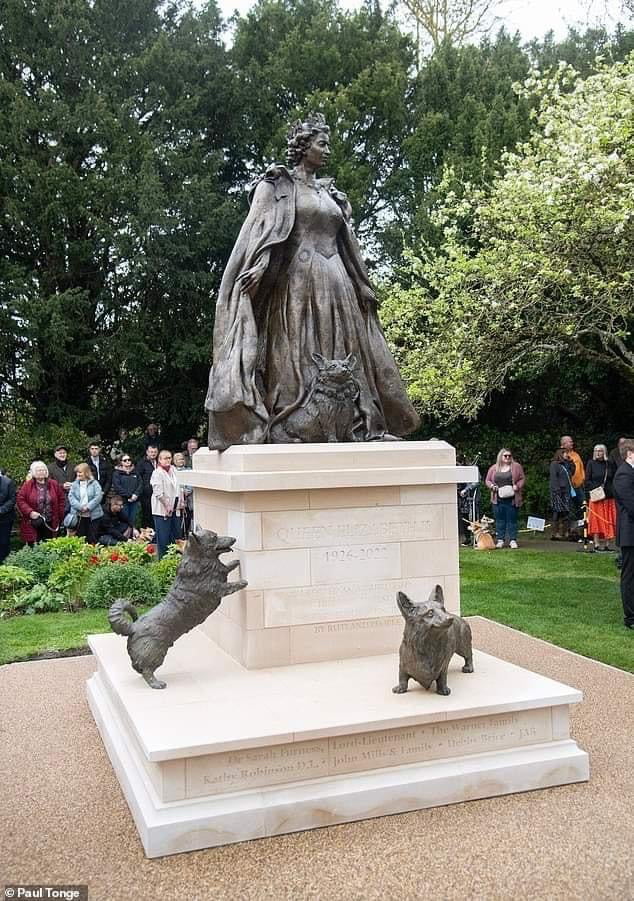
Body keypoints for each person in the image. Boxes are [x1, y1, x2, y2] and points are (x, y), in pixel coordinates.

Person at [205, 112, 420, 450]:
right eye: (322, 143)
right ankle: (294, 419)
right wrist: (259, 266)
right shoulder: (278, 185)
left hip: (339, 284)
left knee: (347, 352)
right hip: (298, 282)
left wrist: (362, 283)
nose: (327, 150)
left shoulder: (332, 194)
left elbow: (347, 244)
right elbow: (257, 233)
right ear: (304, 147)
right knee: (297, 352)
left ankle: (355, 421)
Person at [612, 438, 634, 630]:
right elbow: (630, 504)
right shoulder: (624, 474)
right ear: (630, 453)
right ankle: (630, 617)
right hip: (630, 533)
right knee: (629, 575)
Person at [16, 462, 66, 546]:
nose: (41, 472)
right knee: (34, 546)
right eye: (38, 470)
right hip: (34, 522)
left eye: (43, 470)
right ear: (34, 472)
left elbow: (61, 499)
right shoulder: (28, 485)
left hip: (51, 522)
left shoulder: (54, 484)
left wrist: (60, 516)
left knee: (50, 545)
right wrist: (30, 512)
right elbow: (20, 500)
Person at [485, 449, 525, 549]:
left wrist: (518, 486)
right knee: (499, 520)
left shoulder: (516, 466)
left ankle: (513, 540)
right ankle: (500, 540)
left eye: (509, 456)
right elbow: (488, 480)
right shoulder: (494, 468)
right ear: (500, 457)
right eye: (505, 456)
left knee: (512, 520)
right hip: (497, 498)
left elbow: (522, 478)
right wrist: (492, 486)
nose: (507, 458)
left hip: (512, 498)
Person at [150, 450, 183, 558]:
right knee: (163, 538)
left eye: (169, 458)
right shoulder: (157, 473)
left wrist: (182, 501)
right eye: (165, 458)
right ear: (159, 460)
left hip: (175, 508)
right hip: (162, 510)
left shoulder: (174, 470)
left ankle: (175, 561)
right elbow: (158, 493)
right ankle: (163, 563)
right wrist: (167, 506)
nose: (167, 460)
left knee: (176, 537)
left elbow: (180, 487)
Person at [585, 444, 617, 551]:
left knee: (608, 519)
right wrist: (597, 488)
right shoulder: (591, 463)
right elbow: (587, 480)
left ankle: (607, 544)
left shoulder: (610, 464)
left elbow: (614, 478)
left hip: (608, 496)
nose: (598, 453)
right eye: (596, 451)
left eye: (600, 451)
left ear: (604, 452)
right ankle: (596, 544)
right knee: (596, 520)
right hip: (596, 496)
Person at [68, 463, 104, 544]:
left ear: (86, 472)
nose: (78, 474)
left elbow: (98, 496)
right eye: (77, 472)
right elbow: (71, 497)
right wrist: (80, 507)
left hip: (94, 516)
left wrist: (88, 507)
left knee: (92, 537)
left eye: (80, 472)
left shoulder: (95, 483)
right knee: (80, 538)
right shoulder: (74, 484)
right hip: (79, 515)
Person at [560, 436, 585, 536]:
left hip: (579, 486)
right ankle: (569, 532)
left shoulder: (576, 455)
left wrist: (583, 479)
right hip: (568, 488)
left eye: (572, 442)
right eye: (570, 442)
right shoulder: (561, 456)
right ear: (563, 444)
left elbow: (581, 468)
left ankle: (582, 531)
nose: (572, 443)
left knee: (582, 508)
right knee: (569, 509)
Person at [549, 449, 576, 541]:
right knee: (557, 512)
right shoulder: (554, 464)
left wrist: (571, 462)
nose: (567, 455)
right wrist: (556, 490)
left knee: (566, 511)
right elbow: (554, 478)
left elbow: (572, 472)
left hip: (567, 491)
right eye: (565, 453)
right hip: (558, 492)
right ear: (560, 454)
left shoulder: (566, 464)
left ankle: (565, 532)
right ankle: (555, 533)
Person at [112, 454, 142, 525]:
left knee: (134, 521)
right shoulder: (117, 473)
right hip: (123, 502)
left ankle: (133, 535)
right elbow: (117, 487)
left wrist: (136, 494)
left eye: (129, 460)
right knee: (124, 522)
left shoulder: (136, 472)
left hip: (135, 501)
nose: (127, 461)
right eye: (125, 460)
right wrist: (129, 496)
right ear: (121, 462)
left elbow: (140, 484)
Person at [137, 445, 159, 528]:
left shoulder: (159, 462)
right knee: (147, 515)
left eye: (155, 452)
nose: (153, 454)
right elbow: (139, 478)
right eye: (151, 452)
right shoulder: (141, 463)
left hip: (158, 493)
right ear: (147, 452)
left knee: (156, 514)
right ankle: (147, 535)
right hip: (146, 494)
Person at [173, 452, 193, 538]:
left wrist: (186, 492)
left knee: (187, 518)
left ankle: (185, 536)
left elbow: (191, 484)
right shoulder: (172, 471)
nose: (180, 461)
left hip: (187, 499)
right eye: (178, 459)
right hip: (176, 500)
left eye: (181, 459)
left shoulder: (189, 470)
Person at [0, 470, 17, 562]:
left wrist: (1, 510)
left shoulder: (8, 482)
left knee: (4, 542)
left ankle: (4, 563)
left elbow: (12, 499)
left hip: (5, 518)